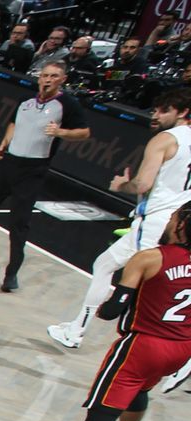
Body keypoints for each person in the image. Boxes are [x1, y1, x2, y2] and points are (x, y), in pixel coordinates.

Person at [51, 205, 191, 421]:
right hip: (180, 348)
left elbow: (114, 310)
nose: (168, 222)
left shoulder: (149, 258)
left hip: (143, 345)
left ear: (183, 224)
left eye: (173, 218)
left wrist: (104, 307)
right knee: (140, 387)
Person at [47, 90, 191, 350]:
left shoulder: (164, 140)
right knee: (105, 265)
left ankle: (163, 350)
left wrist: (123, 185)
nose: (155, 115)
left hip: (157, 222)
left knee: (154, 287)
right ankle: (76, 329)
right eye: (155, 109)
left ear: (182, 112)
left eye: (163, 110)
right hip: (183, 221)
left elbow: (143, 184)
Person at [0, 60, 90, 293]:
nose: (48, 80)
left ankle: (11, 273)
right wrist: (5, 142)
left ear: (62, 79)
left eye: (54, 76)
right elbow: (13, 123)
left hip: (33, 169)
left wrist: (61, 132)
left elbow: (84, 133)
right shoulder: (25, 101)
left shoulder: (67, 104)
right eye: (45, 75)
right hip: (9, 163)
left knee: (19, 222)